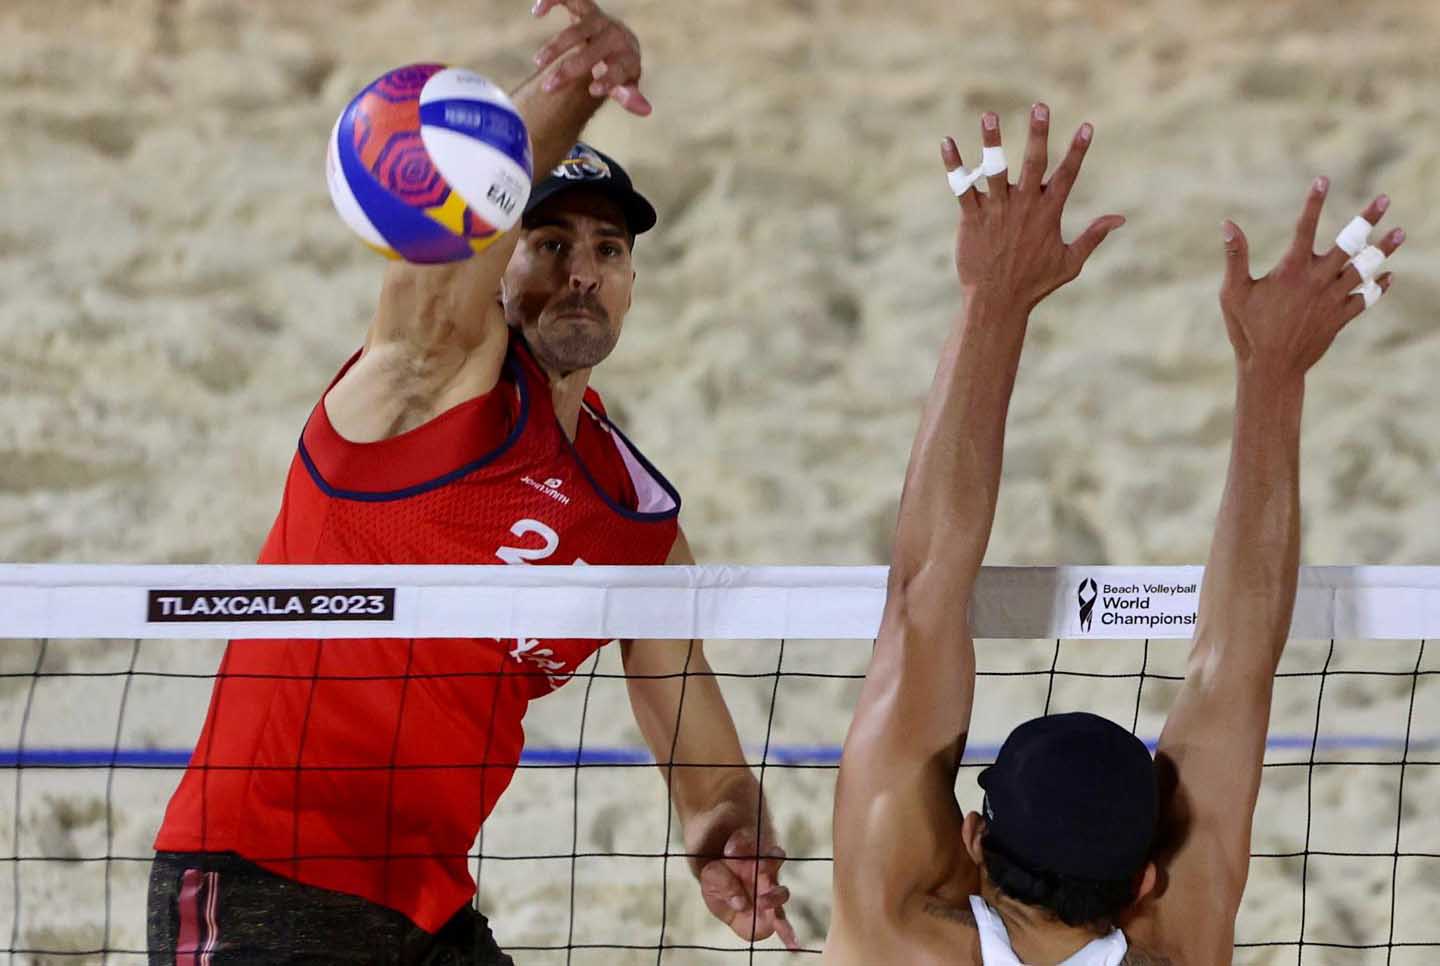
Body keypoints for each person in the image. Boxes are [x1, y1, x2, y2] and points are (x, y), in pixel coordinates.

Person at [147, 1, 796, 961]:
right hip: (261, 878)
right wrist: (571, 90)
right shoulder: (419, 388)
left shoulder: (634, 518)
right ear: (499, 260)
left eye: (608, 251)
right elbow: (440, 263)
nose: (583, 272)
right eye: (551, 244)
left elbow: (689, 720)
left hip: (430, 906)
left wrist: (730, 834)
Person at [823, 102, 1403, 964]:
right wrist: (1273, 372)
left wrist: (995, 300)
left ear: (972, 841)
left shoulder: (893, 928)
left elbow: (922, 593)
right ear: (1144, 886)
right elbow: (1233, 657)